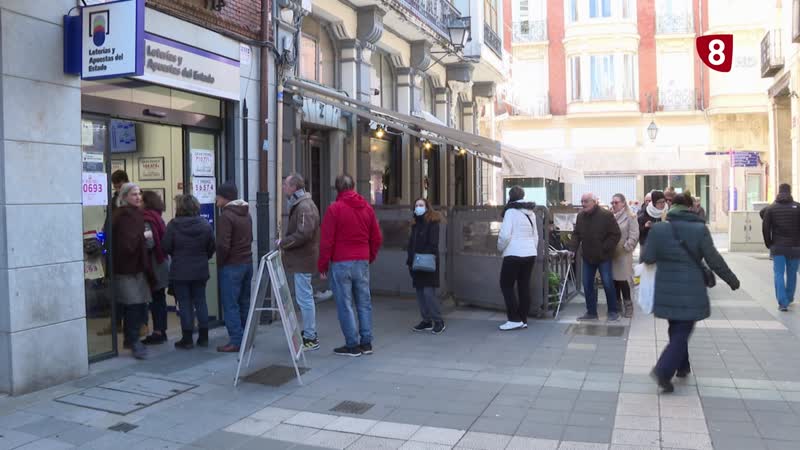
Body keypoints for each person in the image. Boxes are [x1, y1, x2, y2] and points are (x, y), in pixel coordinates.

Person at [642, 193, 739, 392]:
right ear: (690, 208)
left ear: (671, 207)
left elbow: (648, 257)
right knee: (682, 330)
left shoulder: (658, 229)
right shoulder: (699, 229)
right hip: (691, 289)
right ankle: (663, 371)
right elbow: (714, 259)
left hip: (666, 289)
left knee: (675, 327)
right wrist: (732, 280)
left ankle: (683, 366)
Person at [318, 175, 383, 357]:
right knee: (364, 302)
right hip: (361, 259)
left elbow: (326, 241)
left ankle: (352, 344)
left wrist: (323, 265)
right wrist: (369, 256)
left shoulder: (334, 209)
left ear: (337, 189)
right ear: (354, 186)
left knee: (344, 304)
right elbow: (377, 237)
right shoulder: (367, 208)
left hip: (341, 261)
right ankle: (366, 342)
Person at [162, 194, 216, 349]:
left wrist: (177, 254)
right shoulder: (204, 224)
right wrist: (203, 257)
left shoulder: (173, 225)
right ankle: (204, 337)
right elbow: (212, 246)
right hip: (200, 269)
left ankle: (187, 339)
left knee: (185, 303)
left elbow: (166, 246)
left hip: (180, 270)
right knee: (201, 301)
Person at [279, 173, 322, 350]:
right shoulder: (302, 204)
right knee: (305, 298)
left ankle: (311, 337)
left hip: (303, 260)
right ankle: (309, 334)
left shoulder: (304, 206)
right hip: (302, 259)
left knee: (305, 299)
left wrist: (283, 243)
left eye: (285, 185)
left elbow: (304, 234)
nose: (283, 187)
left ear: (294, 187)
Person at [112, 183, 152, 360]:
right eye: (134, 194)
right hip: (126, 268)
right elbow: (126, 243)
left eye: (139, 194)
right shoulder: (122, 215)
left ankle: (131, 339)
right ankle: (133, 340)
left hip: (137, 266)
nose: (138, 197)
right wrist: (144, 236)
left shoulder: (135, 214)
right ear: (124, 196)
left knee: (137, 304)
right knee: (133, 305)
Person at [568, 193, 622, 321]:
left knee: (607, 283)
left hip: (604, 256)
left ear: (594, 202)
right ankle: (591, 312)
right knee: (587, 284)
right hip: (588, 256)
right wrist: (572, 249)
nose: (583, 204)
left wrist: (604, 248)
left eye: (586, 201)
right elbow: (576, 234)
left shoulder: (606, 215)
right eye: (582, 201)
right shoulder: (580, 216)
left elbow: (615, 234)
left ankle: (613, 311)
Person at [215, 182, 254, 353]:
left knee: (230, 304)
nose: (216, 199)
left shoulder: (226, 216)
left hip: (232, 265)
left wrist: (220, 262)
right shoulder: (246, 213)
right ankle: (246, 339)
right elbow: (250, 238)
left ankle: (236, 341)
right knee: (244, 302)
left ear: (225, 197)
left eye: (218, 195)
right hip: (247, 263)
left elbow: (223, 245)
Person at [496, 187, 538, 331]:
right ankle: (523, 319)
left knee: (506, 285)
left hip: (513, 253)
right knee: (524, 285)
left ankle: (514, 319)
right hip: (530, 253)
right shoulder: (531, 212)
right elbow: (535, 235)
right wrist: (531, 248)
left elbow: (505, 235)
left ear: (510, 196)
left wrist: (500, 248)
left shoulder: (510, 211)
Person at [407, 198, 446, 334]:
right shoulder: (415, 224)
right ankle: (426, 320)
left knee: (428, 293)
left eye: (421, 205)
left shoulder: (433, 223)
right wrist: (410, 260)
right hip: (416, 264)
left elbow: (433, 244)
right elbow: (411, 244)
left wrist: (420, 257)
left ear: (427, 207)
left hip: (428, 262)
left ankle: (438, 320)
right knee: (420, 294)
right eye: (416, 205)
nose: (418, 207)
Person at [762, 183, 800, 311]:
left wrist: (769, 244)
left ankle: (783, 303)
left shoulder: (771, 208)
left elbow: (765, 228)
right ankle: (789, 298)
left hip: (778, 247)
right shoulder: (798, 207)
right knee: (792, 274)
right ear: (790, 192)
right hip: (795, 247)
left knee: (778, 273)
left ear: (778, 192)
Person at [141, 191, 170, 345]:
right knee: (160, 298)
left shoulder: (147, 219)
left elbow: (149, 243)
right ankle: (161, 330)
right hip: (162, 262)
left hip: (154, 265)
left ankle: (158, 332)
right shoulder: (158, 216)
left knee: (156, 299)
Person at [611, 194, 639, 318]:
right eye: (612, 203)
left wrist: (627, 246)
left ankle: (628, 306)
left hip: (623, 253)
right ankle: (617, 305)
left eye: (616, 202)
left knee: (623, 280)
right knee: (614, 280)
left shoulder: (630, 216)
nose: (613, 205)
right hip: (612, 253)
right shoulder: (610, 216)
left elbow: (634, 234)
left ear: (623, 203)